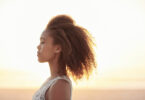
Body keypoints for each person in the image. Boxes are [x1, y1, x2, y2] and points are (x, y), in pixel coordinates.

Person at [32, 14, 98, 100]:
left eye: (43, 42)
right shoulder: (51, 80)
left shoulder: (60, 85)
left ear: (58, 48)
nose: (38, 46)